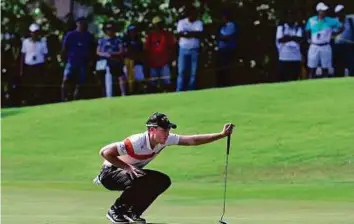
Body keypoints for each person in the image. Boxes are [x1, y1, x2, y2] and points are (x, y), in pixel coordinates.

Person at [94, 112, 235, 224]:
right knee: (143, 178)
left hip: (129, 174)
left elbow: (192, 140)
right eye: (164, 129)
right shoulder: (136, 142)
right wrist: (126, 167)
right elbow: (105, 152)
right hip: (109, 174)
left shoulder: (165, 140)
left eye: (168, 129)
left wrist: (221, 135)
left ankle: (132, 212)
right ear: (151, 129)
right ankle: (116, 211)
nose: (167, 133)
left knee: (162, 180)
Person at [61, 17, 96, 101]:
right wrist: (64, 59)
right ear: (77, 23)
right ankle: (64, 98)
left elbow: (93, 50)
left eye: (84, 23)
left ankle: (75, 98)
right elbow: (64, 48)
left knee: (80, 83)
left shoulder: (89, 36)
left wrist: (91, 61)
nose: (82, 25)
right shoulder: (70, 35)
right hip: (71, 61)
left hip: (84, 63)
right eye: (80, 23)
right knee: (66, 80)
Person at [305, 2, 343, 78]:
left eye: (325, 10)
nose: (324, 12)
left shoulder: (330, 20)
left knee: (325, 68)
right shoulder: (311, 20)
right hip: (314, 46)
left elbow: (342, 26)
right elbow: (307, 29)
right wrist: (308, 38)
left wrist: (335, 34)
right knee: (312, 68)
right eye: (322, 10)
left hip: (325, 46)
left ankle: (326, 86)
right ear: (318, 11)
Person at [145, 16, 176, 92]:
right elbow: (146, 49)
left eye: (160, 23)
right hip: (153, 63)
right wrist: (147, 62)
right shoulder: (150, 35)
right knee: (153, 84)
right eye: (156, 24)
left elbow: (173, 47)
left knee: (167, 83)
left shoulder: (167, 34)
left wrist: (172, 59)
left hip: (165, 62)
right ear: (154, 25)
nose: (158, 25)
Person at [20, 23, 48, 105]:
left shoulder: (42, 42)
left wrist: (45, 69)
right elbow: (23, 55)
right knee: (28, 84)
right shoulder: (25, 42)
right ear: (30, 33)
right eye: (33, 32)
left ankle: (37, 100)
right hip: (28, 66)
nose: (34, 34)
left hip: (39, 66)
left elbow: (46, 55)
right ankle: (28, 100)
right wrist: (21, 69)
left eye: (36, 32)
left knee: (38, 84)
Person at [176, 6, 203, 91]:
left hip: (194, 49)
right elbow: (180, 34)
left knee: (193, 72)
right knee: (182, 71)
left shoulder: (199, 23)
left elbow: (199, 34)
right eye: (192, 14)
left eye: (195, 14)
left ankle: (191, 90)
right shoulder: (181, 22)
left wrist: (187, 33)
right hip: (183, 49)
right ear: (189, 14)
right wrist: (192, 34)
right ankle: (179, 90)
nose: (194, 16)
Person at [96, 21, 126, 97]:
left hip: (116, 61)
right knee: (106, 79)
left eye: (112, 28)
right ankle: (107, 95)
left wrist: (112, 54)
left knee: (121, 77)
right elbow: (98, 52)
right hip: (104, 63)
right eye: (108, 29)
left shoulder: (118, 39)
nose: (110, 30)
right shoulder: (102, 40)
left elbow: (121, 51)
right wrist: (105, 54)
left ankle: (124, 94)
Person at [276, 10, 303, 82]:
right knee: (283, 78)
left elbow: (299, 39)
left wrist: (288, 37)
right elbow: (280, 39)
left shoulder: (298, 27)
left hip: (295, 58)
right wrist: (292, 38)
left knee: (294, 78)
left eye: (292, 16)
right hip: (284, 57)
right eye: (289, 16)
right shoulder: (281, 27)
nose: (291, 18)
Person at [216, 10, 238, 87]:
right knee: (221, 67)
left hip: (228, 49)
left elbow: (227, 37)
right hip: (222, 49)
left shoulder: (231, 25)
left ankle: (228, 83)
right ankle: (222, 83)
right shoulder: (222, 27)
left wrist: (221, 37)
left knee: (227, 67)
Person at [333, 4, 354, 77]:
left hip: (349, 46)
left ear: (343, 12)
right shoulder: (334, 21)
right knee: (338, 67)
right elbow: (331, 34)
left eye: (340, 13)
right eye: (337, 14)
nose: (339, 16)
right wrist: (339, 31)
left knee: (352, 66)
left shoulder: (351, 19)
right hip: (338, 46)